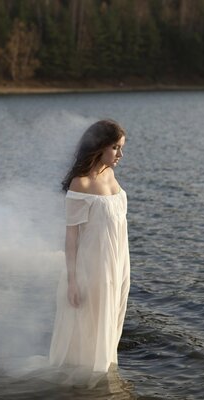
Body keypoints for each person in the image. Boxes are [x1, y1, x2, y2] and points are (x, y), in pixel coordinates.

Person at [49, 119, 130, 386]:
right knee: (90, 321)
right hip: (92, 266)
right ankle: (86, 378)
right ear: (99, 147)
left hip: (117, 262)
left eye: (121, 148)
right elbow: (71, 239)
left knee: (111, 317)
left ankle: (104, 372)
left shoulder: (110, 174)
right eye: (115, 148)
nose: (120, 154)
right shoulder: (80, 184)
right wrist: (73, 281)